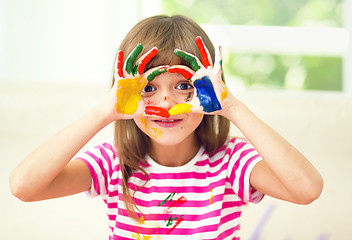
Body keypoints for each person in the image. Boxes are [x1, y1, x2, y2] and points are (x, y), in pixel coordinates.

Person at [9, 15, 323, 239]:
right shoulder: (115, 162)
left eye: (184, 85)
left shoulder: (231, 162)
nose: (167, 102)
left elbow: (307, 190)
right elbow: (23, 187)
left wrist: (233, 108)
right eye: (148, 88)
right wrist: (102, 113)